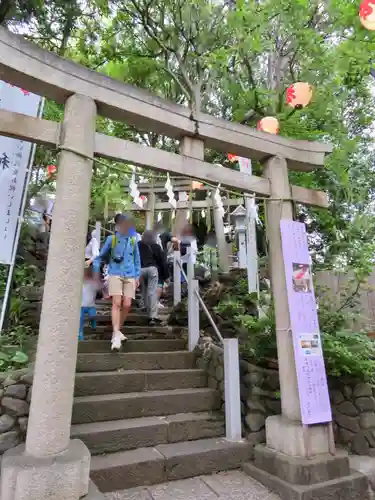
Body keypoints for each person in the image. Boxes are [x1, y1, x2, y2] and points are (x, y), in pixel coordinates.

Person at [93, 214, 141, 350]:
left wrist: (137, 275)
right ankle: (116, 335)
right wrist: (96, 271)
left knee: (127, 304)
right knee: (117, 303)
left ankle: (117, 331)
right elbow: (101, 256)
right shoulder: (111, 239)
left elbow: (137, 260)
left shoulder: (133, 240)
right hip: (115, 273)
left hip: (130, 274)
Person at [138, 230, 169, 325]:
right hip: (152, 270)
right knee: (152, 292)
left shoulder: (138, 245)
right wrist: (166, 276)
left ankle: (146, 308)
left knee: (144, 291)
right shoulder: (156, 246)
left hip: (140, 270)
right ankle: (152, 316)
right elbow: (163, 262)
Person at [79, 265, 100, 341]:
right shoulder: (79, 283)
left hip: (91, 305)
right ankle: (80, 334)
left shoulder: (92, 282)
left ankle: (93, 324)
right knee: (80, 319)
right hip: (81, 306)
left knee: (93, 315)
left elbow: (99, 287)